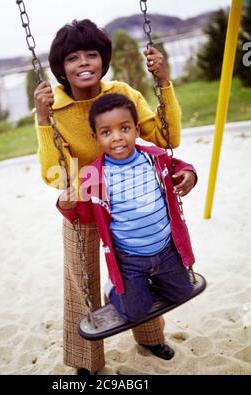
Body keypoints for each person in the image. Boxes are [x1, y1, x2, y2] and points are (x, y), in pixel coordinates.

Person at [34, 18, 189, 375]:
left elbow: (167, 138)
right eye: (73, 58)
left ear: (103, 60)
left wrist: (163, 82)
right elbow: (54, 175)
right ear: (61, 67)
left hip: (129, 205)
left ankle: (150, 337)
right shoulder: (54, 109)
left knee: (144, 264)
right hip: (85, 207)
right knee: (80, 280)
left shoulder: (121, 94)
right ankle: (85, 360)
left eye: (92, 54)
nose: (84, 63)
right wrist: (43, 120)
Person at [57, 94, 197, 339]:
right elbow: (85, 214)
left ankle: (151, 284)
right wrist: (66, 204)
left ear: (136, 129)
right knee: (136, 312)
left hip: (165, 250)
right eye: (106, 132)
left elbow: (178, 167)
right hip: (129, 259)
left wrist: (189, 173)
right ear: (96, 138)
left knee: (184, 292)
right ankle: (116, 289)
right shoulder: (94, 175)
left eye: (124, 128)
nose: (117, 137)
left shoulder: (154, 157)